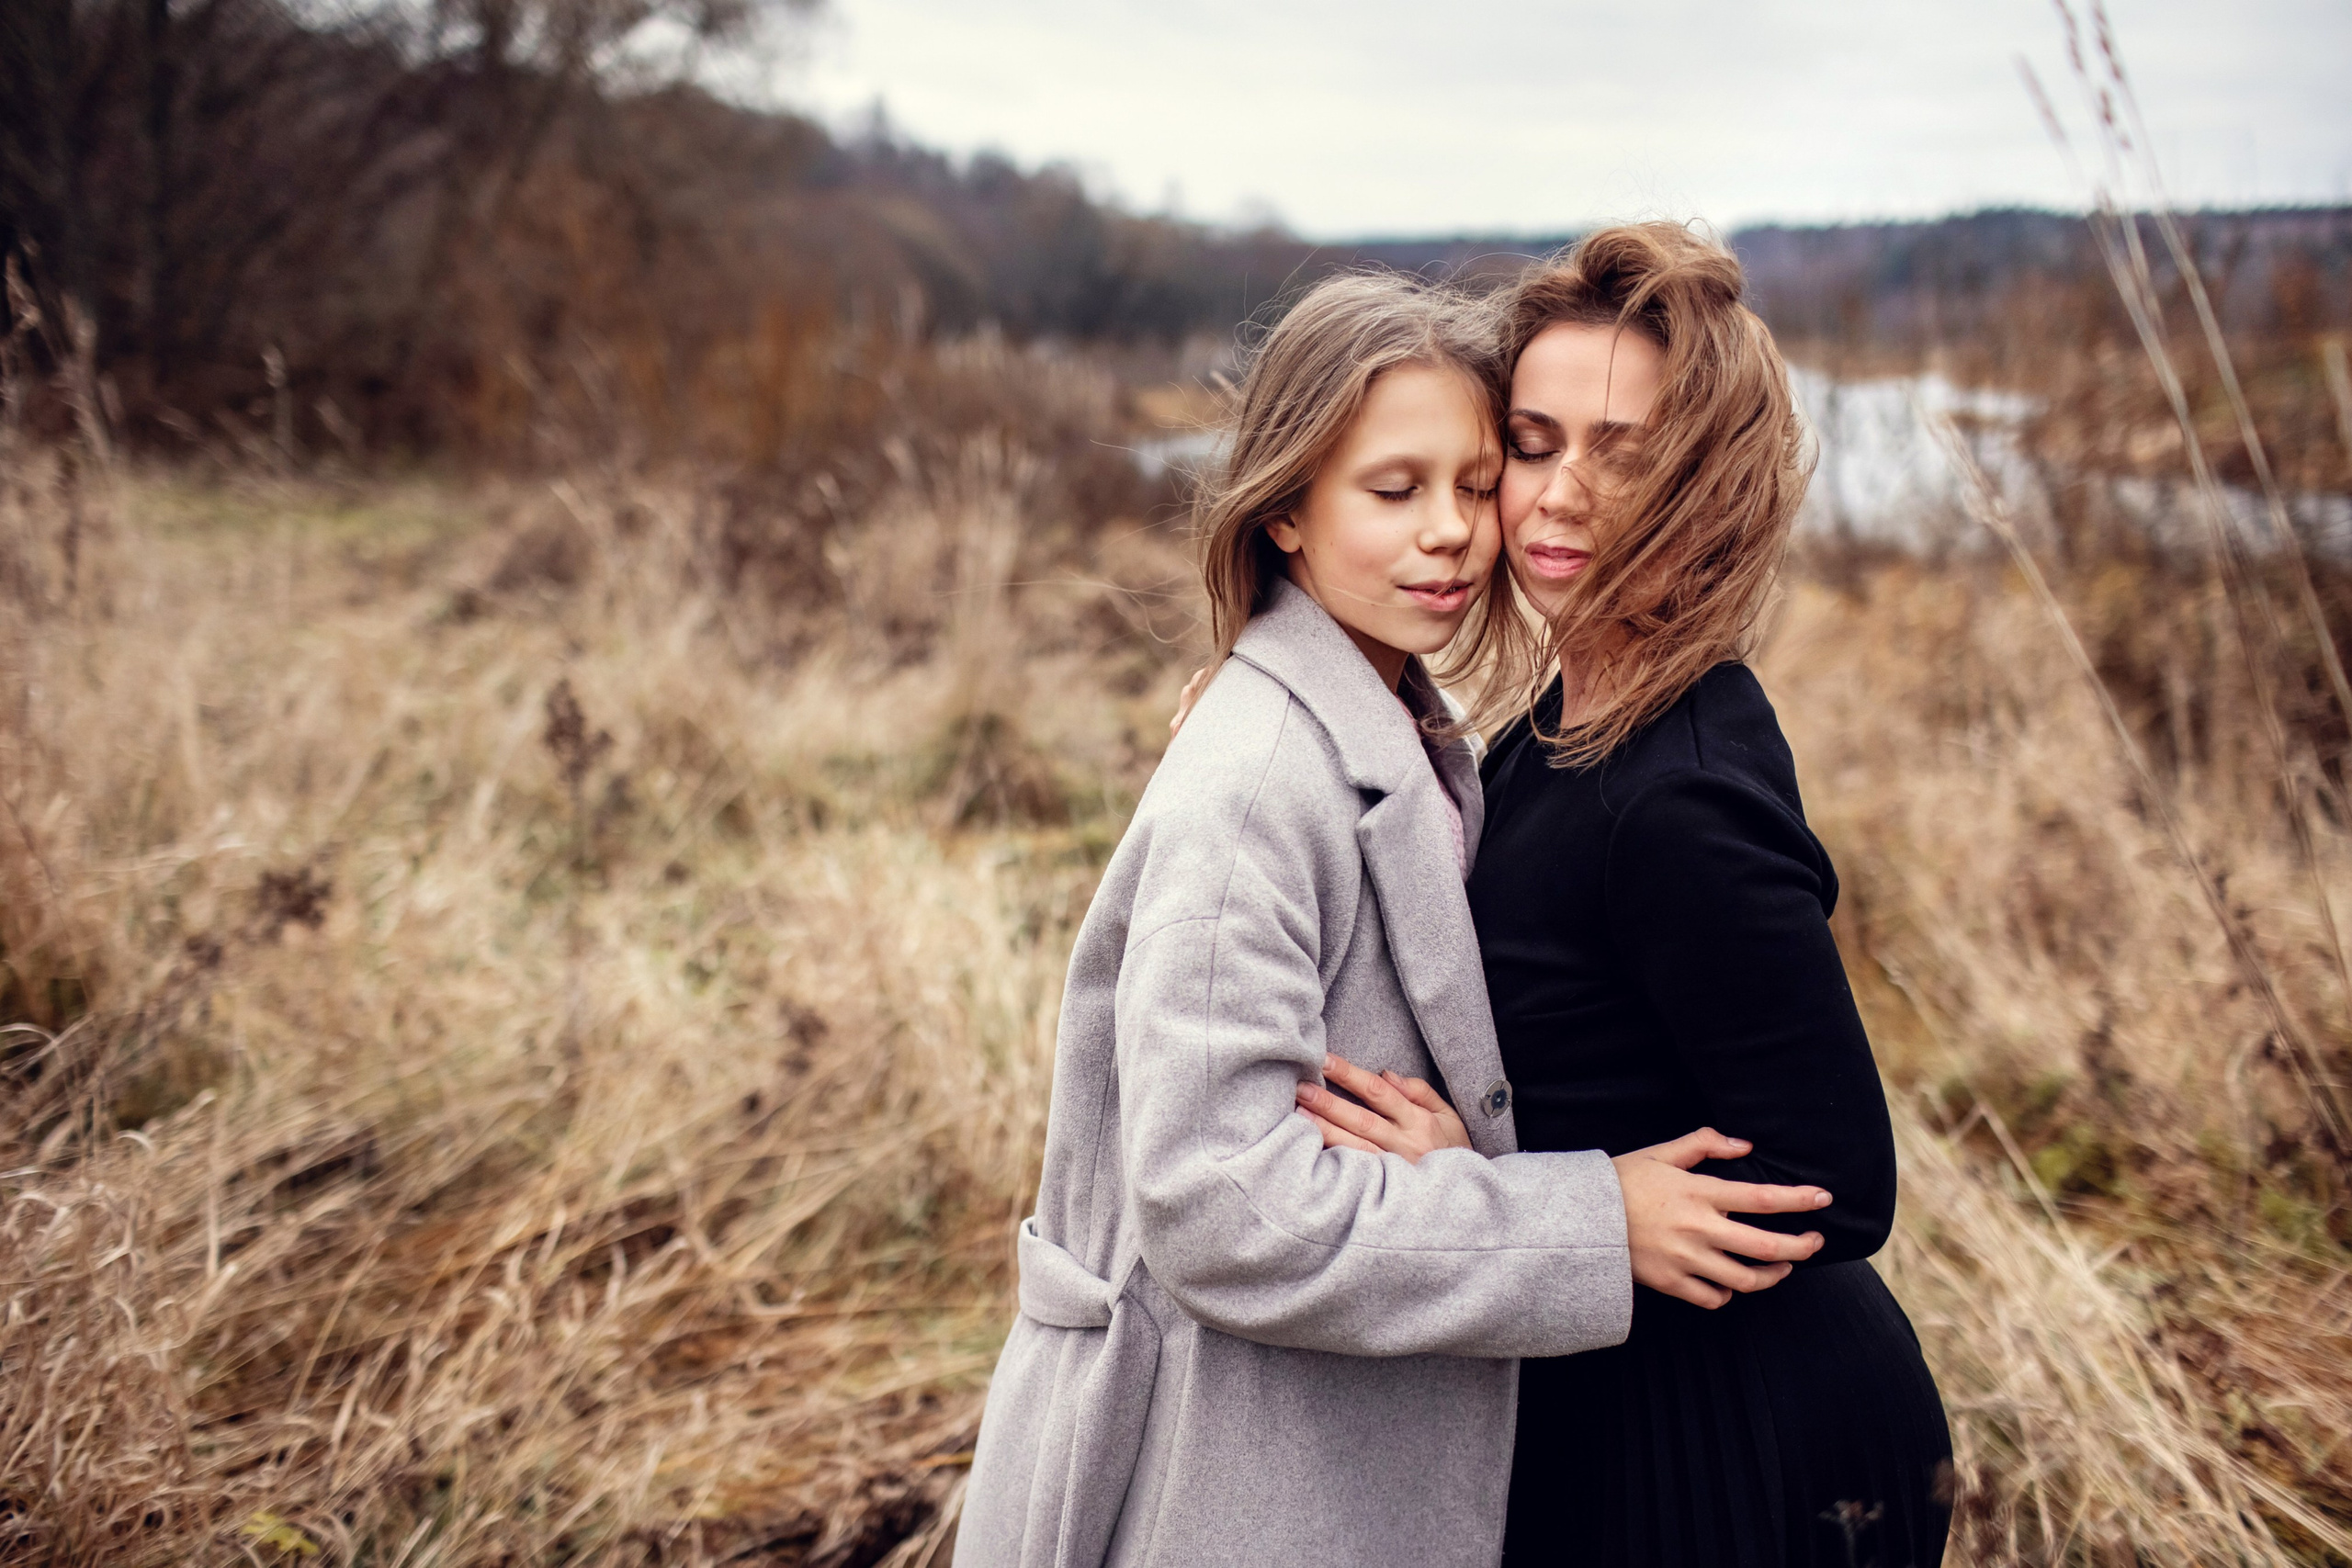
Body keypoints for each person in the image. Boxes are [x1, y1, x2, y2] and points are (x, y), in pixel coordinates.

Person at [955, 271, 1832, 1568]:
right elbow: (1222, 1209)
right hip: (1213, 1471)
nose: (1455, 535)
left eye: (1479, 484)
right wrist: (1591, 1223)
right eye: (1393, 489)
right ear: (1288, 511)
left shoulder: (1401, 732)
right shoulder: (1258, 782)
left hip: (1318, 1442)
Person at [1306, 224, 1953, 1568]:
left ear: (1706, 477)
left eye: (1624, 450)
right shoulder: (1573, 709)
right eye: (1533, 443)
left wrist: (1501, 1190)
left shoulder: (1678, 792)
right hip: (1610, 1389)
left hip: (1729, 1446)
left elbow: (1837, 1179)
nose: (1557, 495)